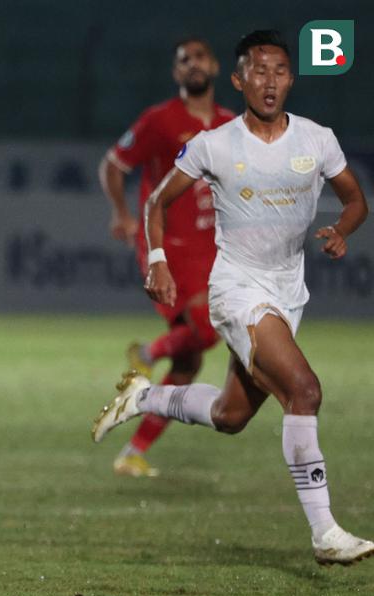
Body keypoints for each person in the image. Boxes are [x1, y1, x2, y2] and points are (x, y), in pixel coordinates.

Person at [92, 30, 372, 565]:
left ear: (292, 78)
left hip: (288, 291)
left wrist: (343, 230)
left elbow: (356, 199)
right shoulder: (215, 144)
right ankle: (325, 532)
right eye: (259, 72)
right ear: (240, 79)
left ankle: (142, 397)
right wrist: (156, 260)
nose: (270, 81)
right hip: (237, 289)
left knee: (230, 416)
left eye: (280, 71)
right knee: (305, 390)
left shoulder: (317, 139)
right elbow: (154, 200)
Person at [98, 39, 236, 477]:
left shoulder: (230, 125)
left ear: (215, 65)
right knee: (209, 328)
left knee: (190, 361)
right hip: (166, 248)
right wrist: (121, 214)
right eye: (184, 60)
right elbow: (114, 165)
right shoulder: (160, 120)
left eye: (200, 57)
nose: (193, 65)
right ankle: (147, 350)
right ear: (176, 74)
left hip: (211, 250)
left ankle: (134, 452)